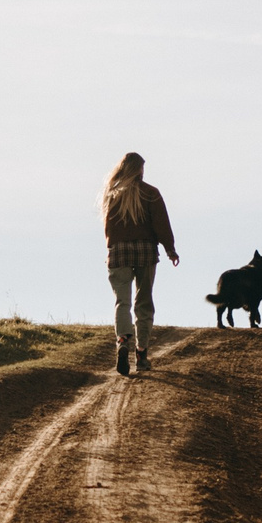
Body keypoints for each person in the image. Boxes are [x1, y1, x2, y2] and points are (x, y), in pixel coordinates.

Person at [102, 151, 178, 376]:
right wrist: (170, 249)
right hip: (145, 251)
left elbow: (108, 228)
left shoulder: (112, 194)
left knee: (122, 302)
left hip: (119, 252)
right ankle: (142, 354)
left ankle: (122, 341)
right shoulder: (151, 193)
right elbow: (161, 224)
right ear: (139, 170)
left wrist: (112, 249)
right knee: (144, 302)